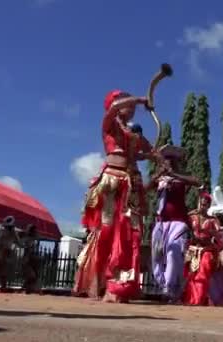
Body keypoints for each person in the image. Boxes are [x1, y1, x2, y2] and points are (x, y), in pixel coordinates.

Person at [74, 90, 158, 303]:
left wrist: (157, 155)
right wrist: (139, 100)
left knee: (129, 234)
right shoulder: (109, 123)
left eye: (132, 106)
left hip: (129, 184)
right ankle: (101, 283)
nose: (131, 109)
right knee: (107, 232)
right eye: (126, 104)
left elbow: (143, 153)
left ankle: (118, 286)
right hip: (112, 181)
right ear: (117, 105)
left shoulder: (132, 134)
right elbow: (112, 110)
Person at [147, 144, 200, 302]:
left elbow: (197, 181)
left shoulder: (181, 178)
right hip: (161, 223)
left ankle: (169, 289)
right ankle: (166, 285)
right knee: (156, 257)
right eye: (165, 162)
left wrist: (175, 175)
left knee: (173, 253)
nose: (167, 164)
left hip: (179, 222)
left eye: (170, 162)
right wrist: (158, 176)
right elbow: (145, 188)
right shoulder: (160, 179)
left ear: (176, 163)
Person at [182, 192, 223, 306]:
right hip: (192, 249)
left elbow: (220, 235)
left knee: (203, 272)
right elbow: (183, 230)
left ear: (209, 206)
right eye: (201, 204)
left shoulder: (212, 220)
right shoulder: (191, 217)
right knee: (191, 275)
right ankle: (191, 299)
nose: (202, 206)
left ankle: (199, 300)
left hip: (207, 250)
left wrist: (214, 234)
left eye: (205, 204)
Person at [21, 224, 40, 294]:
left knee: (32, 276)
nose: (36, 232)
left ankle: (26, 289)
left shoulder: (33, 239)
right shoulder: (27, 239)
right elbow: (27, 249)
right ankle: (24, 289)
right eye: (34, 231)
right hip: (27, 260)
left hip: (32, 260)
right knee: (31, 276)